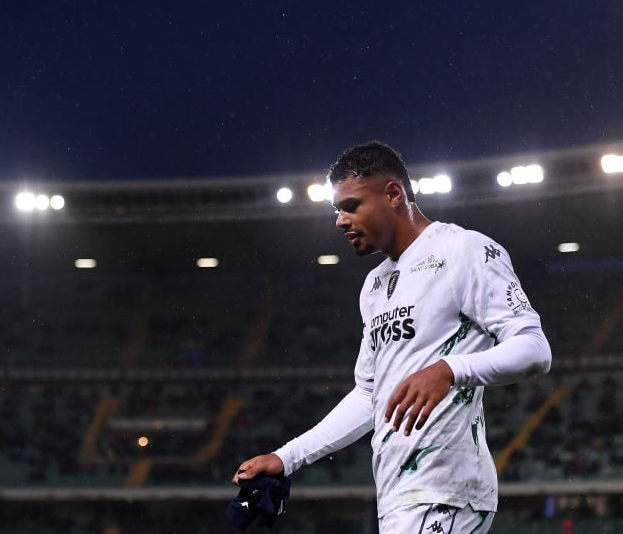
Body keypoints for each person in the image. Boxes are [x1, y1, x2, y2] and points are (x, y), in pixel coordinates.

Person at [234, 141, 552, 533]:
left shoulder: (464, 250)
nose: (339, 220)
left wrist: (450, 369)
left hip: (446, 490)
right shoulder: (375, 286)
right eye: (336, 210)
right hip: (399, 495)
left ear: (393, 194)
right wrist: (287, 457)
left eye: (350, 206)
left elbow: (535, 349)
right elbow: (371, 396)